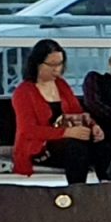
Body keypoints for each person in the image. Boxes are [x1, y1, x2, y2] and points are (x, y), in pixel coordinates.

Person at [9, 37, 103, 186]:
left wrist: (93, 126)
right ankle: (77, 191)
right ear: (37, 64)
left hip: (66, 143)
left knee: (102, 145)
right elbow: (28, 130)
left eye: (60, 64)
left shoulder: (61, 85)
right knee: (76, 148)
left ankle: (108, 187)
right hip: (40, 148)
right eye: (51, 65)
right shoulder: (24, 92)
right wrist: (65, 133)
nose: (57, 69)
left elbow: (77, 113)